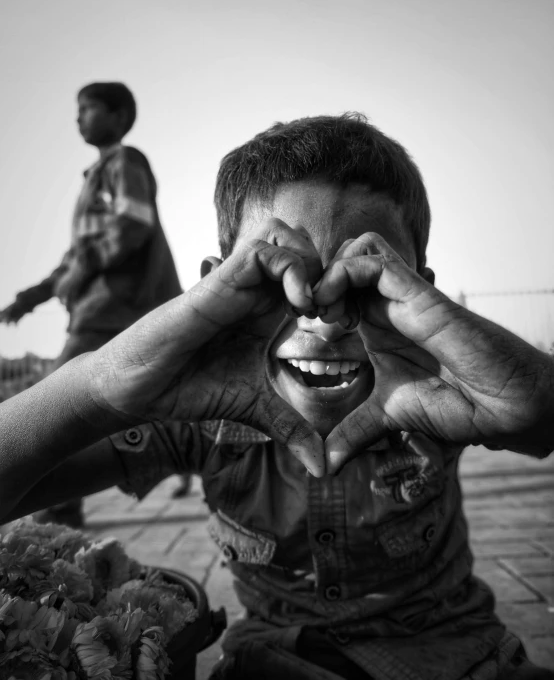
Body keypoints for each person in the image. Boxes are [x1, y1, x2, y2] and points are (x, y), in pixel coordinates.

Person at [1, 113, 553, 679]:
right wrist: (97, 389)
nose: (325, 318)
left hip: (460, 656)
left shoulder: (436, 389)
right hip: (271, 661)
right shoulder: (200, 414)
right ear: (221, 283)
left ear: (418, 289)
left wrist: (534, 398)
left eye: (363, 280)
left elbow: (536, 415)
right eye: (277, 279)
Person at [0, 82, 182, 526]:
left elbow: (133, 224)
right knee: (74, 406)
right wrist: (30, 298)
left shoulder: (125, 163)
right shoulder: (95, 178)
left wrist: (84, 269)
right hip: (97, 308)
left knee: (51, 406)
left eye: (88, 108)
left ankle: (59, 511)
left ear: (118, 117)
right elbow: (74, 258)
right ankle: (62, 507)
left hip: (114, 307)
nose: (78, 117)